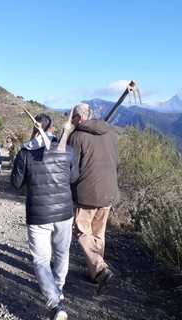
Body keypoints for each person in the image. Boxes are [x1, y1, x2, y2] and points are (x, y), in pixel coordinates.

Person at [11, 113, 79, 320]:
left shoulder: (25, 153)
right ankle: (58, 288)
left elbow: (15, 183)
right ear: (53, 129)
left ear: (34, 127)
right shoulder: (68, 151)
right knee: (62, 253)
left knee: (41, 259)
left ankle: (55, 304)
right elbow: (74, 178)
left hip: (38, 213)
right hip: (64, 212)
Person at [67, 103, 120, 295]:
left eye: (71, 118)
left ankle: (100, 268)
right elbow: (116, 163)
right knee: (99, 234)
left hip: (87, 194)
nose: (71, 122)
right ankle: (94, 274)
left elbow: (71, 169)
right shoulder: (111, 134)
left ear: (79, 119)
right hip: (109, 192)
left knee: (82, 232)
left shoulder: (77, 136)